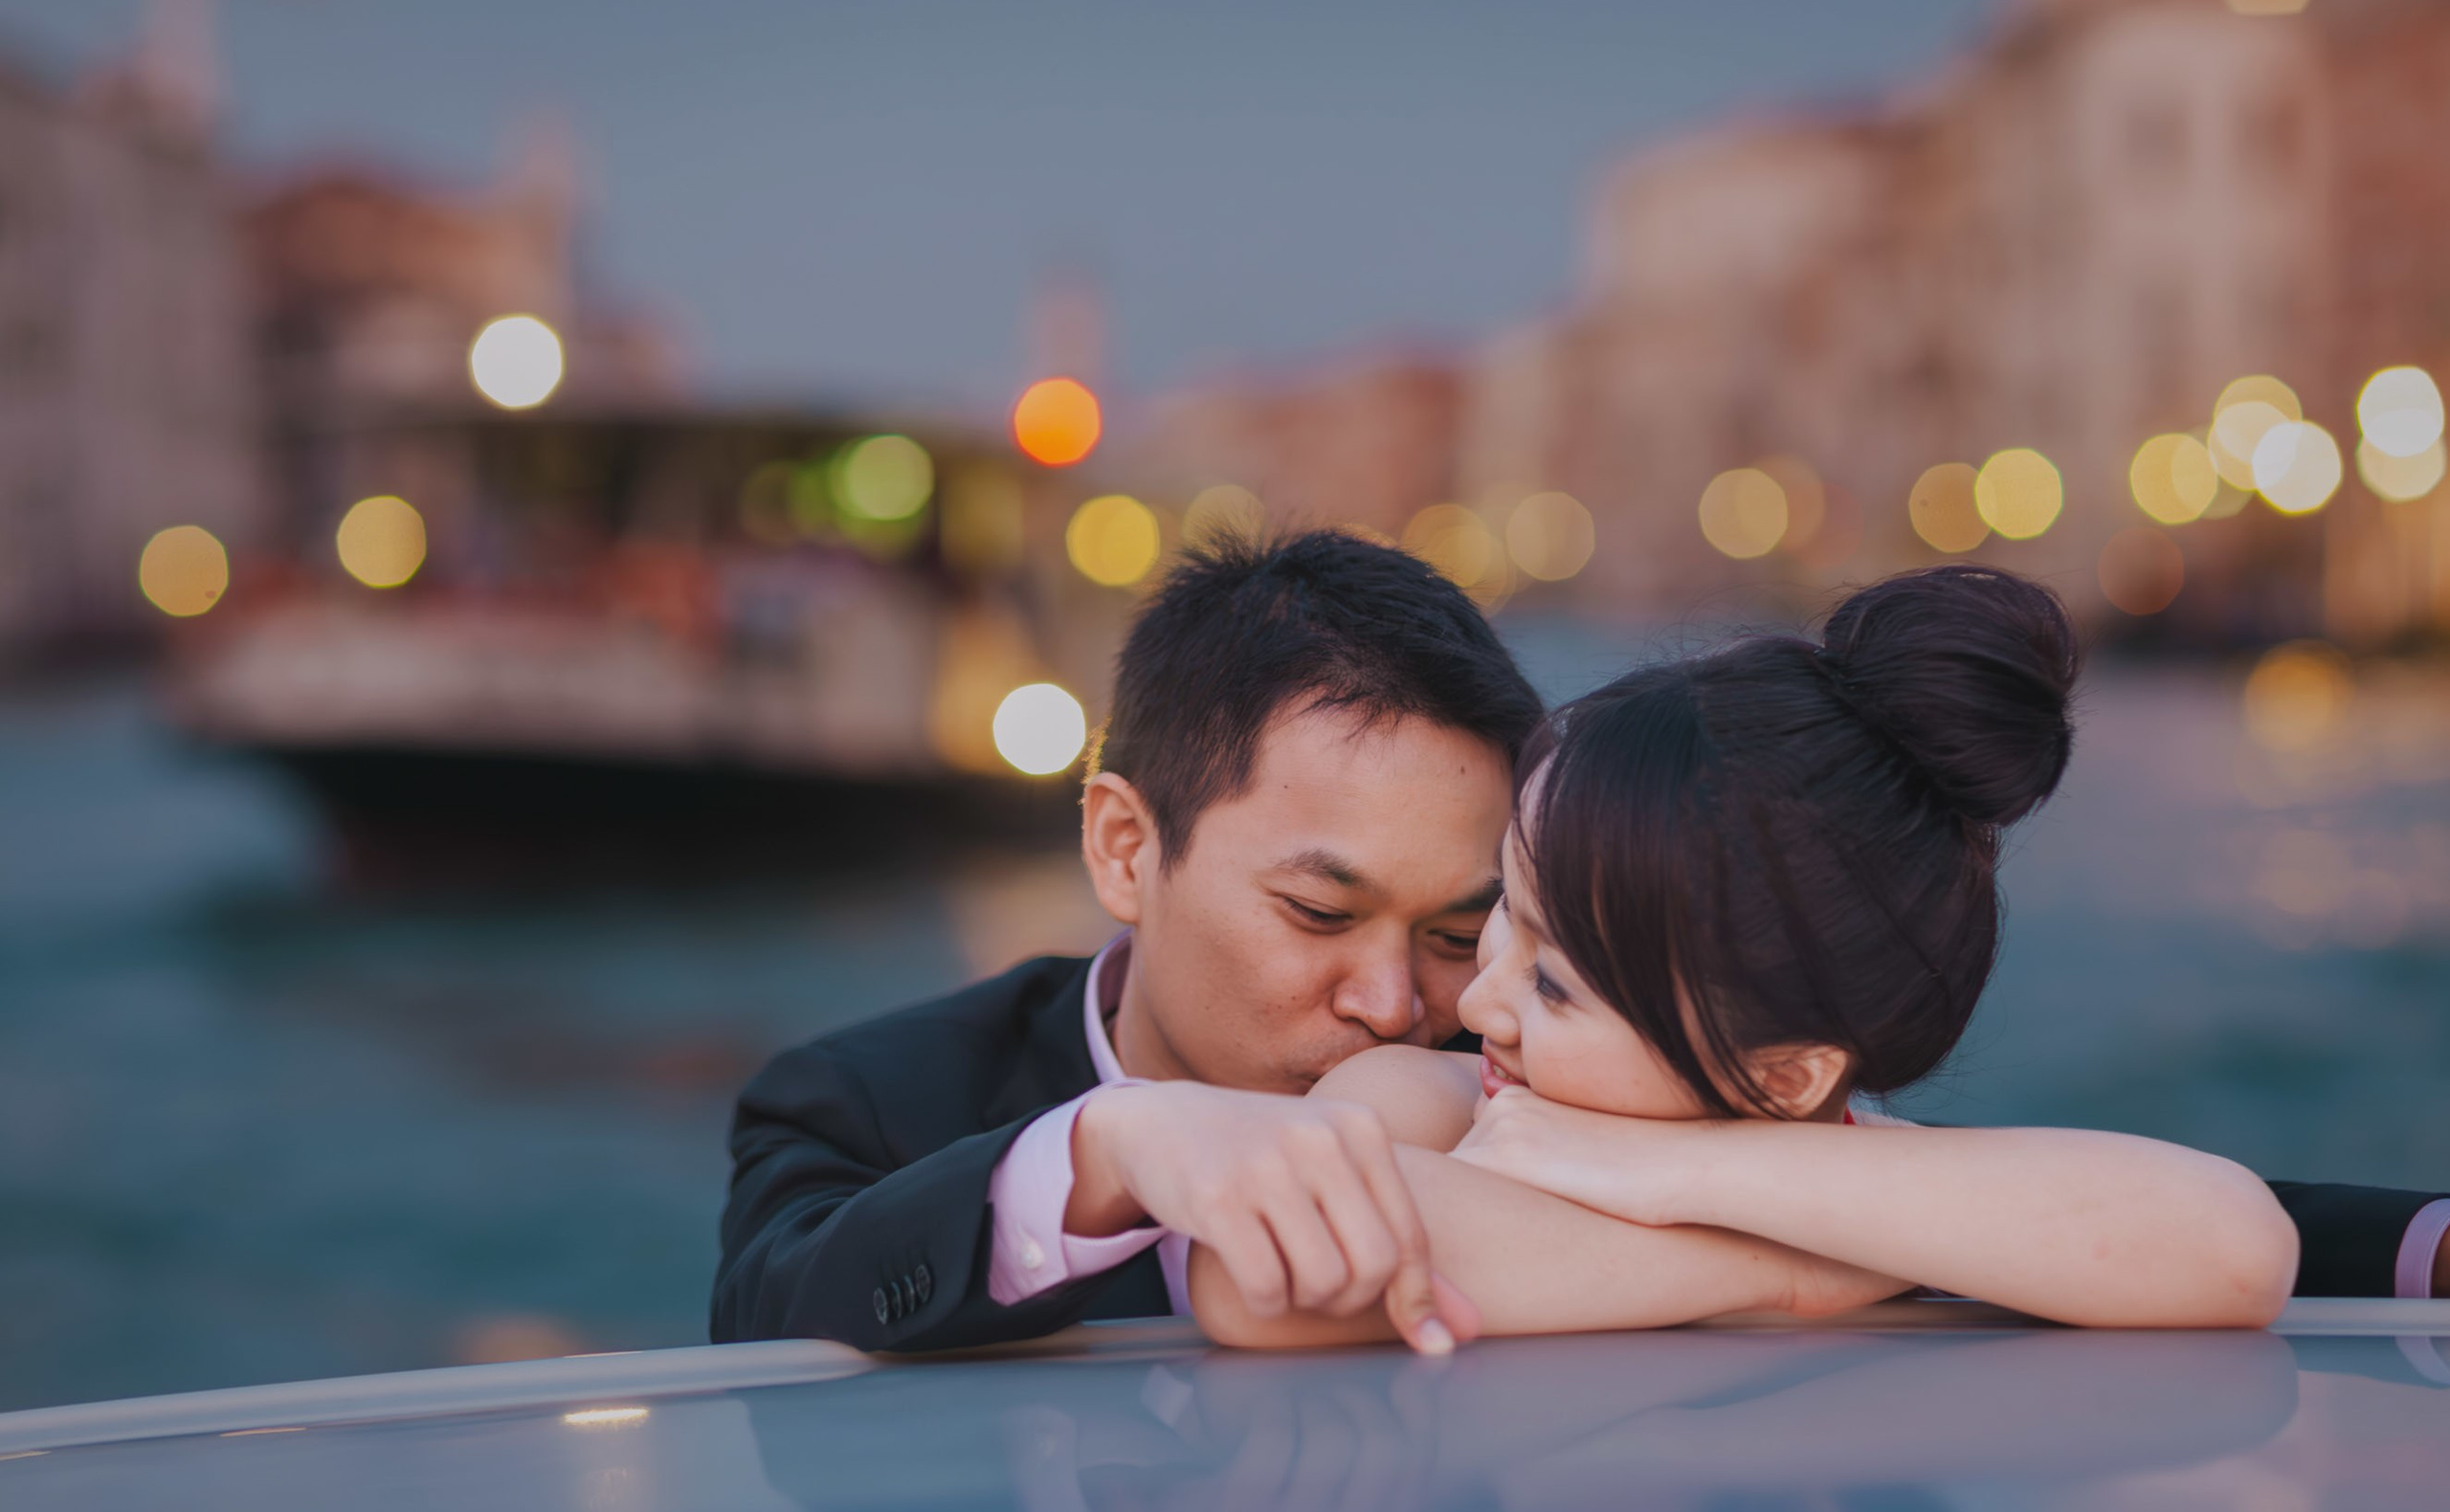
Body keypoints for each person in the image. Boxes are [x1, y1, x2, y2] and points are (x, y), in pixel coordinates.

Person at [712, 531, 2450, 1355]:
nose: (1420, 999)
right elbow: (777, 1326)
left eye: (1481, 929)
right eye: (1320, 912)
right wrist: (1113, 1147)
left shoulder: (1524, 1074)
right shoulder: (850, 1101)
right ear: (1123, 842)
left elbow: (2152, 1212)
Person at [1191, 566, 2292, 1344]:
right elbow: (1254, 1279)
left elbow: (2237, 1247)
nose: (1480, 1000)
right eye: (1506, 915)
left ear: (1786, 1076)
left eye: (1555, 983)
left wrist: (1678, 1173)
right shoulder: (1425, 1104)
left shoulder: (1866, 1179)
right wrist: (1796, 1269)